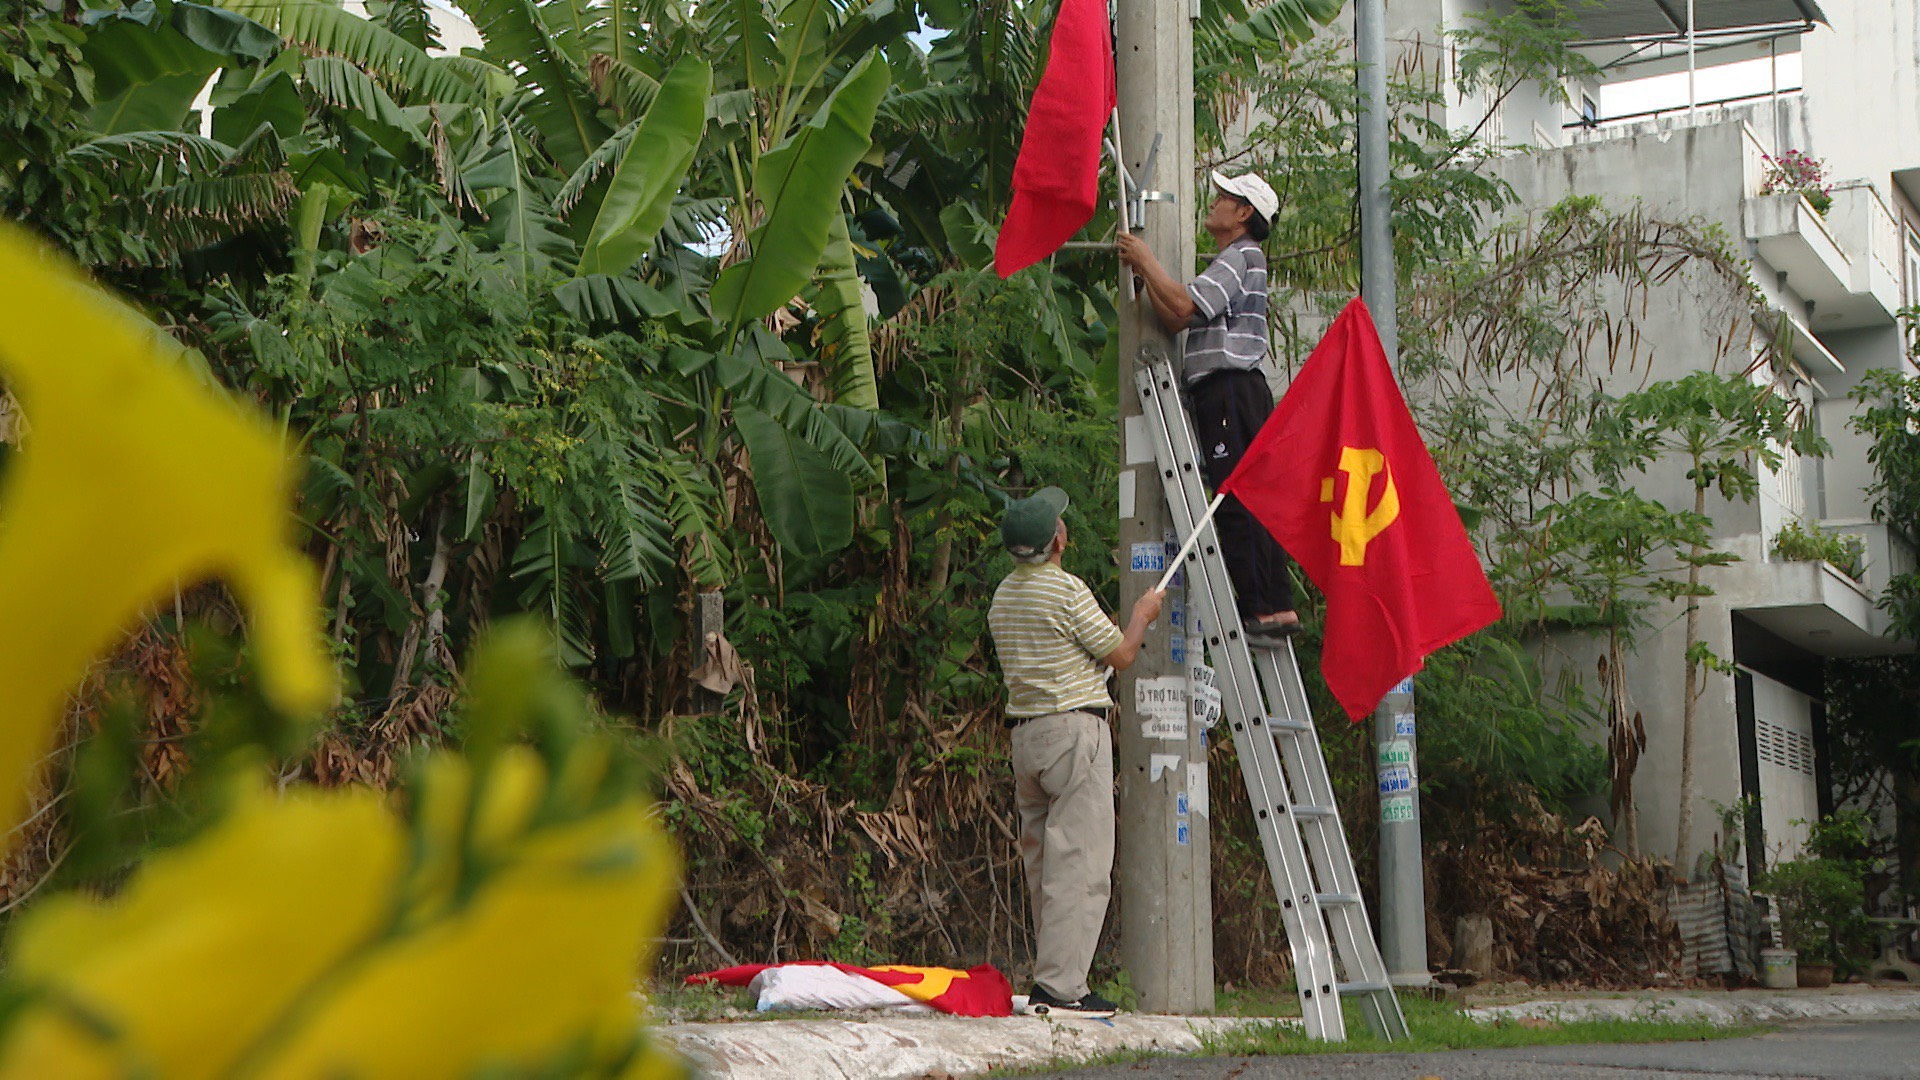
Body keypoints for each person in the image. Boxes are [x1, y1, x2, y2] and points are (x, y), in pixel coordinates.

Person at [987, 486, 1163, 1019]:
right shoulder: (1065, 592)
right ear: (1057, 541)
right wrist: (1143, 613)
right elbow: (1122, 654)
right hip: (1073, 736)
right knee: (1081, 865)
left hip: (1027, 739)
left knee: (1044, 866)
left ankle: (1054, 980)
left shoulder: (1002, 597)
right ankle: (1062, 989)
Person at [1116, 171, 1298, 645]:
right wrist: (1147, 276)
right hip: (1237, 391)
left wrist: (1146, 258)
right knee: (1248, 495)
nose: (1214, 203)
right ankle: (1275, 605)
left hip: (1229, 389)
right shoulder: (1241, 259)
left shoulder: (1239, 257)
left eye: (1225, 198)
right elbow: (1178, 317)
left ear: (1243, 214)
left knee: (1234, 496)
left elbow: (1181, 300)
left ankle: (1260, 608)